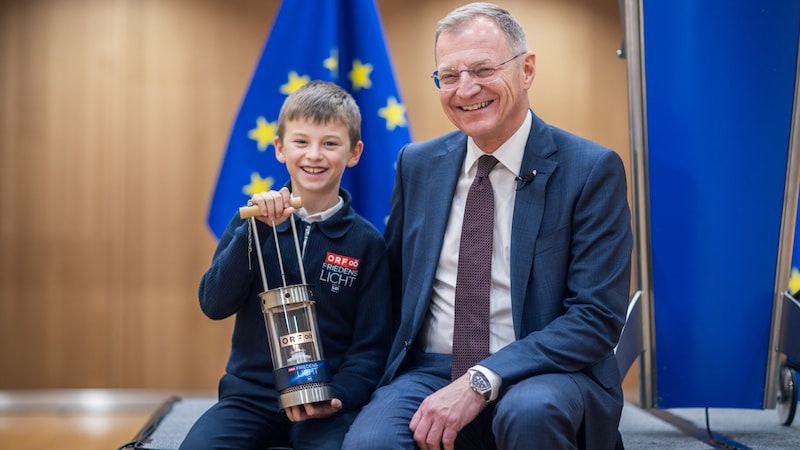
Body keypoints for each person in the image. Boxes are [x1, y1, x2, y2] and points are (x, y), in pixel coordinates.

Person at [342, 3, 632, 450]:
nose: (466, 89)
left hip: (546, 371)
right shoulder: (416, 164)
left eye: (482, 69)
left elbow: (595, 318)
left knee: (530, 413)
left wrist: (482, 378)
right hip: (430, 367)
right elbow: (389, 284)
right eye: (449, 76)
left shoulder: (591, 170)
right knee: (370, 443)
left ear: (527, 69)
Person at [180, 80, 392, 450]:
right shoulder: (251, 222)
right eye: (301, 142)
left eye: (330, 143)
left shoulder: (367, 243)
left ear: (354, 153)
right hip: (249, 398)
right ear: (279, 148)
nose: (314, 155)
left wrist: (337, 395)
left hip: (326, 401)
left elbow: (371, 348)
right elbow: (213, 303)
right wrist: (256, 232)